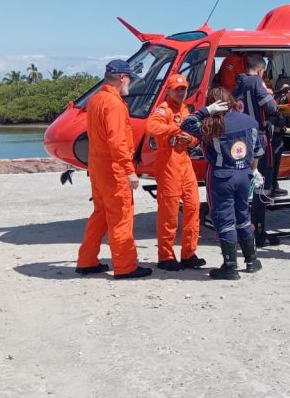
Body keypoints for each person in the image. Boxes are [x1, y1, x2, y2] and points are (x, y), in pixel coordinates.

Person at [76, 59, 151, 279]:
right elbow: (117, 142)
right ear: (122, 78)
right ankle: (125, 266)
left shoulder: (95, 99)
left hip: (98, 168)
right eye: (129, 79)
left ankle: (87, 261)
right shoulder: (114, 104)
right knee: (121, 216)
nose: (130, 84)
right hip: (113, 169)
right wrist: (129, 170)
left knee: (100, 214)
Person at [180, 87, 263, 280]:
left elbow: (186, 123)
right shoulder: (250, 121)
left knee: (224, 219)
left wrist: (206, 111)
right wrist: (254, 170)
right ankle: (251, 260)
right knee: (243, 216)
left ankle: (230, 266)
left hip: (221, 176)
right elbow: (257, 150)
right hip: (244, 174)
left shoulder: (210, 125)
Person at [145, 73, 206, 271]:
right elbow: (151, 126)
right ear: (169, 91)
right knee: (169, 212)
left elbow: (195, 134)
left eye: (183, 89)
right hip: (168, 163)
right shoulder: (163, 109)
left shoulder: (186, 109)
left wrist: (191, 140)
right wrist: (175, 129)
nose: (181, 93)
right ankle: (166, 256)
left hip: (184, 162)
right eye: (177, 90)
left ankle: (189, 254)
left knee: (193, 207)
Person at [233, 54, 283, 247]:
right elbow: (270, 107)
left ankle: (243, 229)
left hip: (241, 139)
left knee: (245, 185)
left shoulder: (239, 83)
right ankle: (259, 233)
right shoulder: (256, 81)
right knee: (262, 185)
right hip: (259, 138)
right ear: (261, 70)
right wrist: (273, 97)